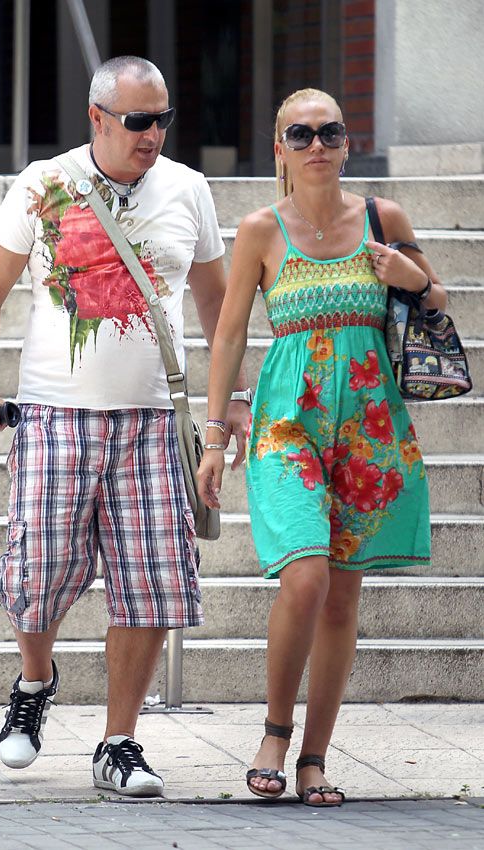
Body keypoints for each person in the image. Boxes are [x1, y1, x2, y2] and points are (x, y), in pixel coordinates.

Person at [0, 55, 249, 797]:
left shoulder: (189, 190)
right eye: (138, 120)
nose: (153, 134)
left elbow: (219, 311)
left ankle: (118, 743)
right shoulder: (43, 184)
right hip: (55, 413)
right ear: (97, 118)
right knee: (39, 574)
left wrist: (230, 404)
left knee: (150, 584)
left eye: (163, 119)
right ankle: (34, 681)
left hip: (153, 418)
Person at [197, 88, 444, 806]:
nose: (316, 145)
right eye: (299, 134)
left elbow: (439, 303)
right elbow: (231, 334)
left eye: (329, 132)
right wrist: (216, 434)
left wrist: (413, 277)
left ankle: (313, 758)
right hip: (288, 425)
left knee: (341, 599)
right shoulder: (259, 231)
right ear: (279, 148)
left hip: (370, 431)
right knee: (304, 577)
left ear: (345, 142)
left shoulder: (383, 218)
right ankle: (275, 729)